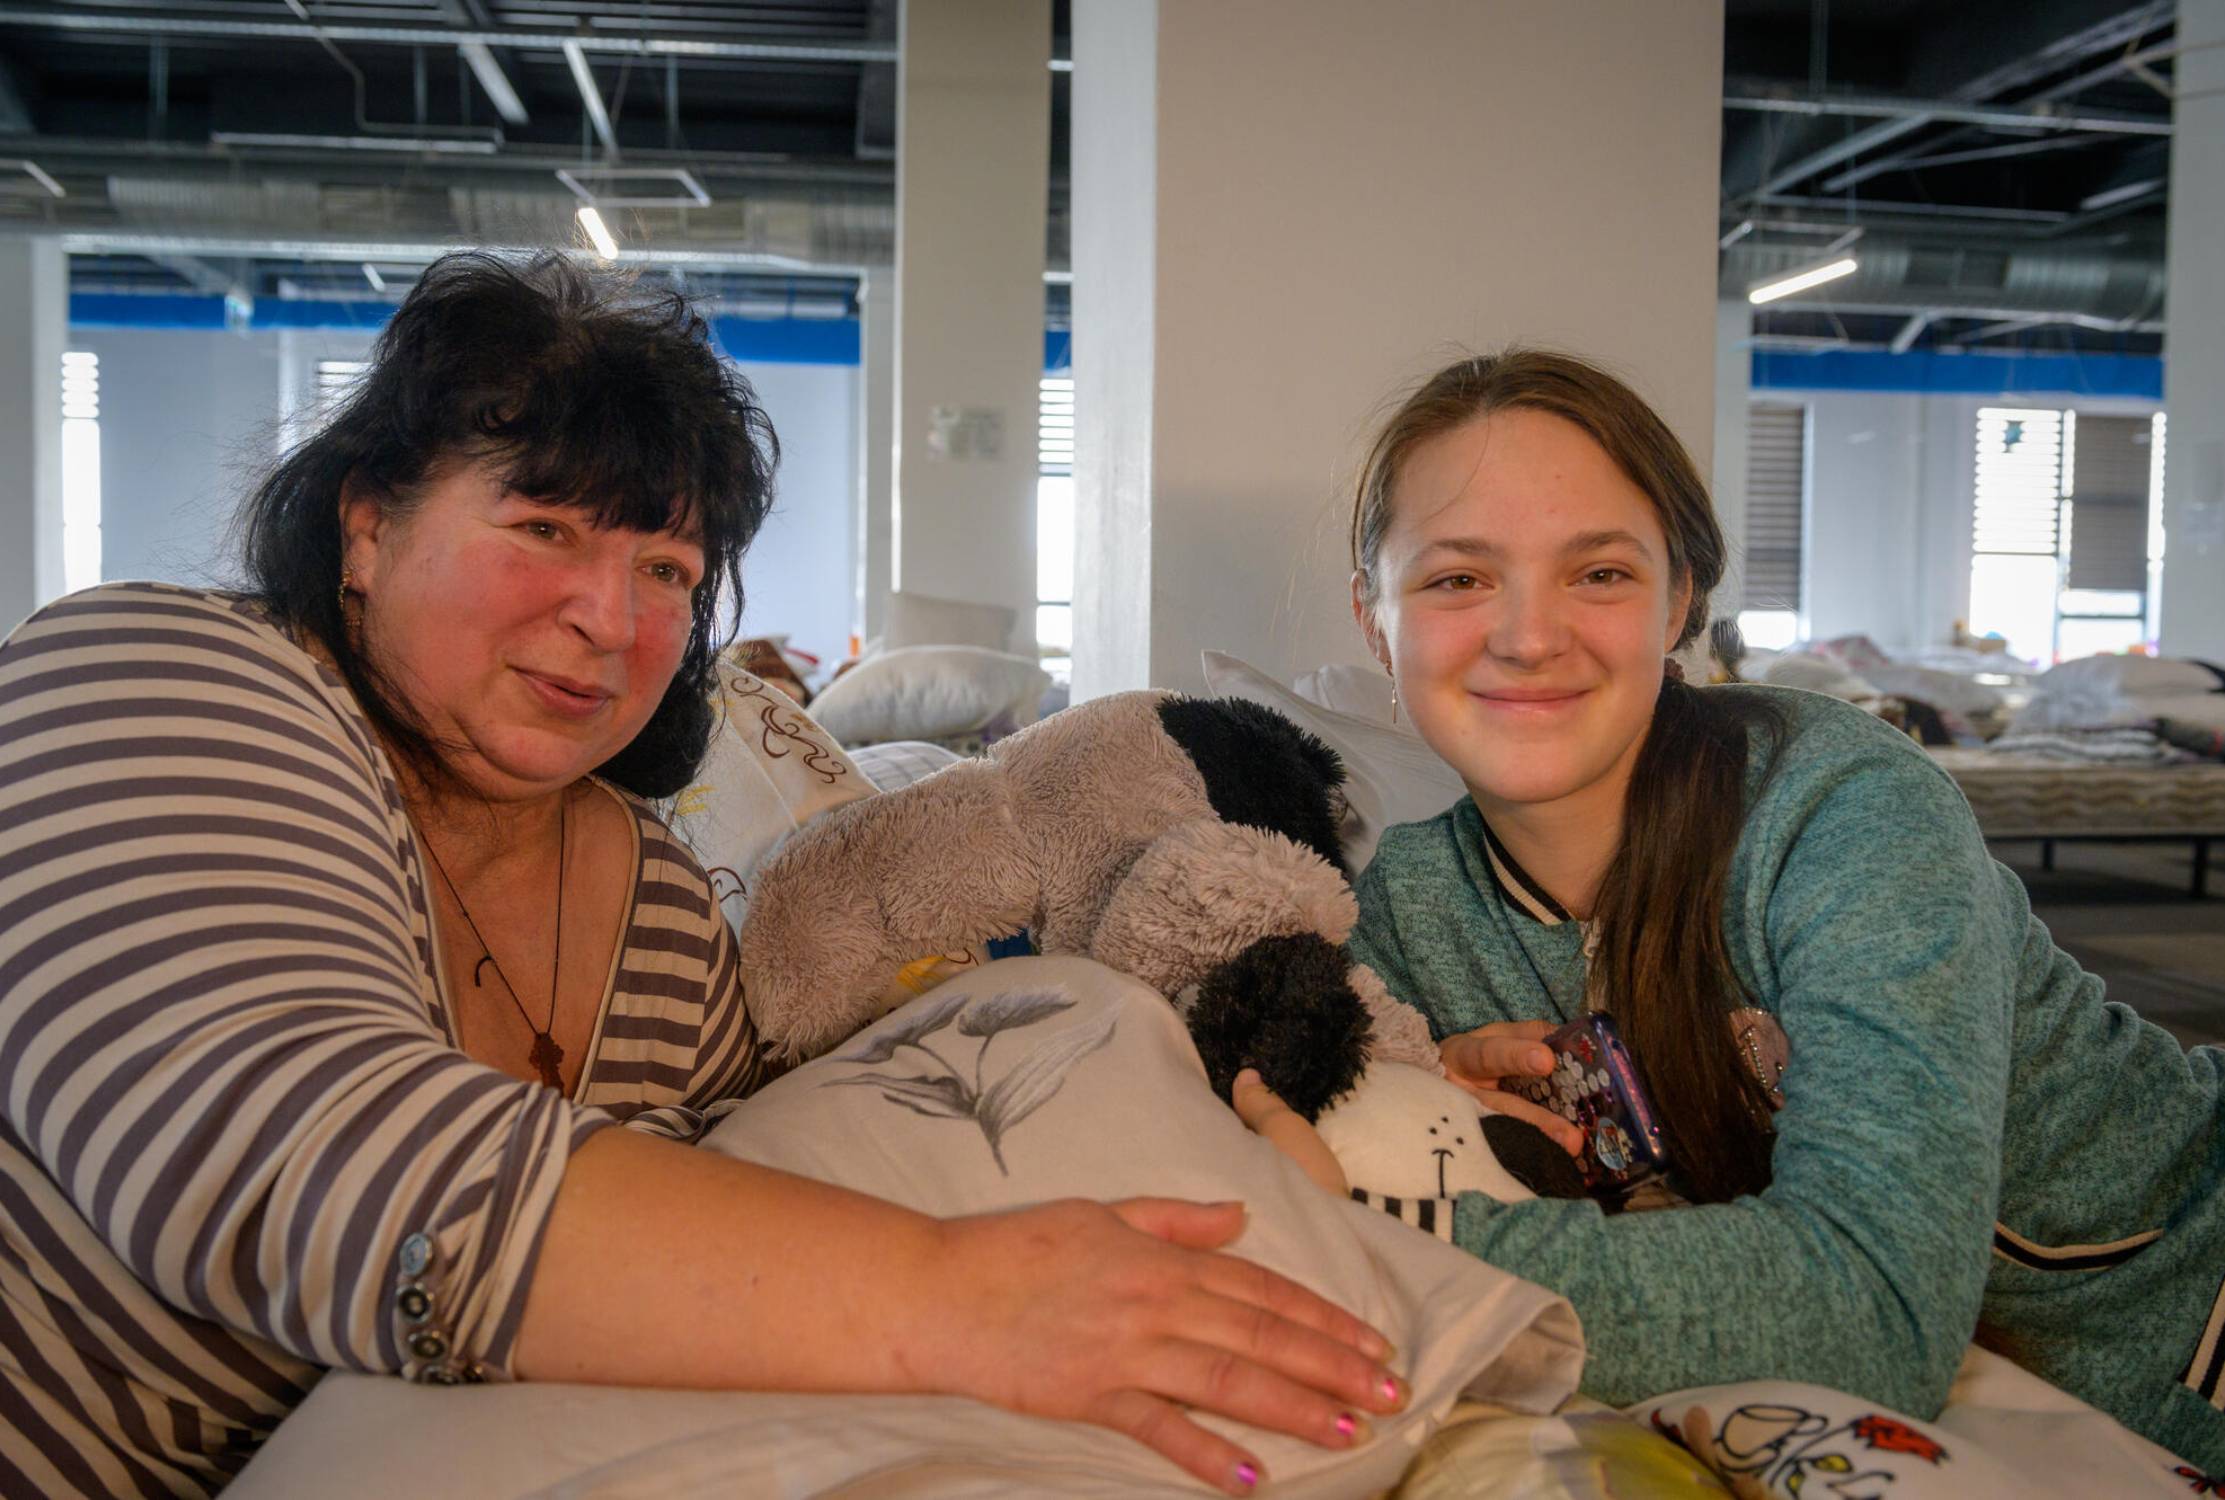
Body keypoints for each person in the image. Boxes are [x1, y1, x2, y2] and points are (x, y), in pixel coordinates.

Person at [0, 252, 1406, 1499]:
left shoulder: (660, 913)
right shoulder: (154, 680)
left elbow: (755, 1221)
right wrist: (956, 1296)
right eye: (543, 528)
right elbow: (299, 1151)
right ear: (366, 526)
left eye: (666, 569)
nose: (607, 618)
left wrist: (1197, 1165)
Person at [1266, 347, 2225, 1472]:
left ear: (1680, 601)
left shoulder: (1836, 807)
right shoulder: (1402, 919)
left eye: (1599, 574)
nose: (1527, 637)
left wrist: (1371, 1250)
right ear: (1374, 621)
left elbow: (1874, 1308)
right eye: (1455, 580)